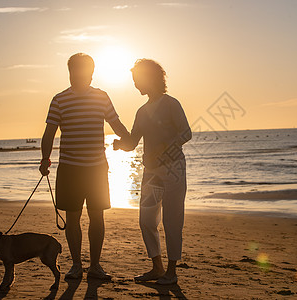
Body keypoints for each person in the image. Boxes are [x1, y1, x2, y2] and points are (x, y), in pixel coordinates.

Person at [39, 53, 129, 280]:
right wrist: (44, 158)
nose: (75, 76)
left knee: (97, 217)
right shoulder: (59, 99)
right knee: (73, 219)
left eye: (80, 72)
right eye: (72, 72)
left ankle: (96, 266)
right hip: (70, 169)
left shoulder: (101, 97)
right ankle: (77, 265)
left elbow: (116, 123)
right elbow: (49, 132)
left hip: (97, 168)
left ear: (90, 73)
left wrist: (130, 139)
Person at [114, 59, 192, 285]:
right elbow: (132, 142)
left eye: (137, 80)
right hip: (151, 172)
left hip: (174, 169)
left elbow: (186, 133)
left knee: (172, 221)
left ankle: (171, 271)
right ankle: (156, 267)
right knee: (146, 220)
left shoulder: (171, 104)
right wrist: (120, 144)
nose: (135, 85)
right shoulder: (141, 111)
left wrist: (165, 150)